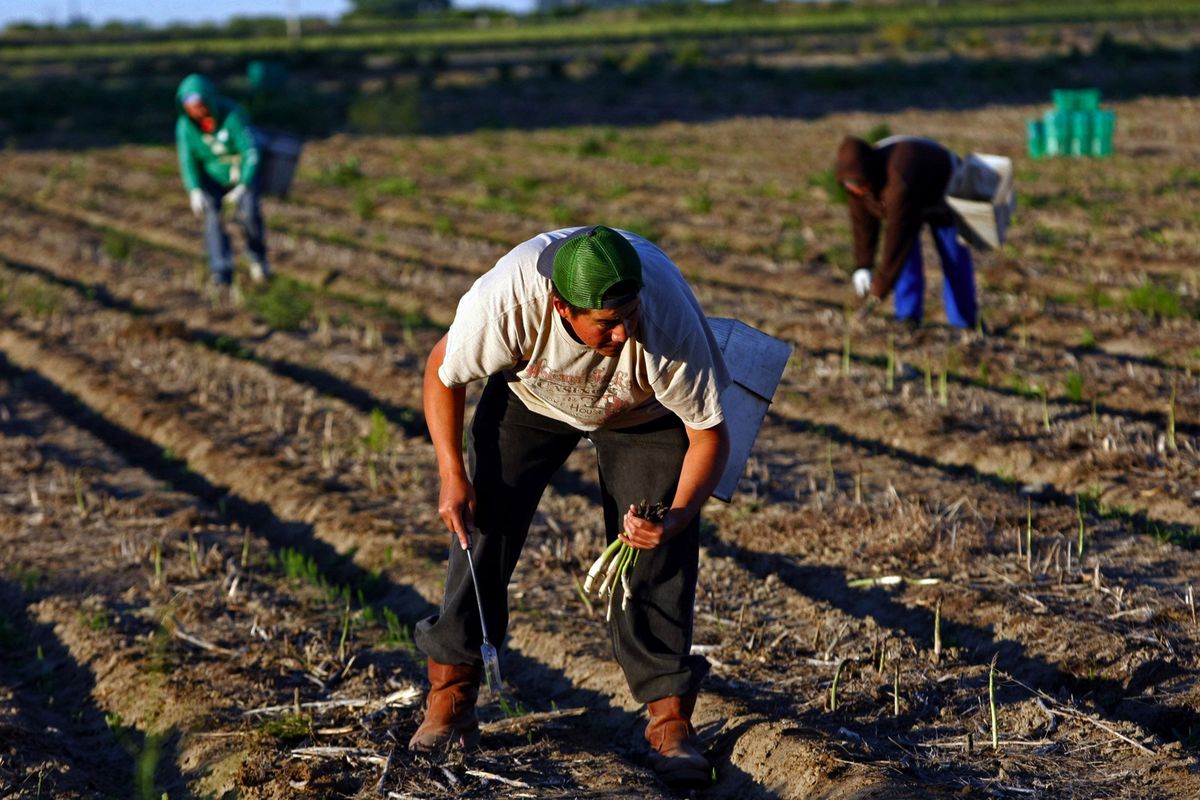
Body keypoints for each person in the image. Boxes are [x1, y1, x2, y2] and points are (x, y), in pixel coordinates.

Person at [411, 225, 731, 788]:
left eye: (628, 314)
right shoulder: (507, 302)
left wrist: (676, 517)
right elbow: (442, 373)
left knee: (653, 550)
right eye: (606, 323)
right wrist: (451, 475)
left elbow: (708, 434)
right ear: (561, 305)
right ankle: (451, 700)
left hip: (642, 413)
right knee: (482, 527)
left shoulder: (667, 321)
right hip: (530, 397)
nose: (623, 330)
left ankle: (669, 720)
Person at [835, 135, 977, 329]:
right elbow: (863, 225)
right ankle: (907, 318)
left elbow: (898, 237)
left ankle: (965, 322)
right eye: (853, 188)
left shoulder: (898, 182)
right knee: (906, 259)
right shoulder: (855, 185)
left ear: (869, 174)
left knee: (953, 257)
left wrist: (879, 290)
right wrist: (863, 265)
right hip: (912, 197)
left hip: (946, 190)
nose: (859, 191)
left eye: (861, 186)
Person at [174, 73, 271, 289]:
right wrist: (194, 189)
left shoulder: (232, 115)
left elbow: (250, 151)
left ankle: (258, 258)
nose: (195, 110)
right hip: (212, 177)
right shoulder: (185, 127)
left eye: (198, 104)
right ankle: (221, 271)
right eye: (189, 105)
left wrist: (243, 185)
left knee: (249, 214)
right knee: (212, 217)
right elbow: (187, 160)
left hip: (240, 175)